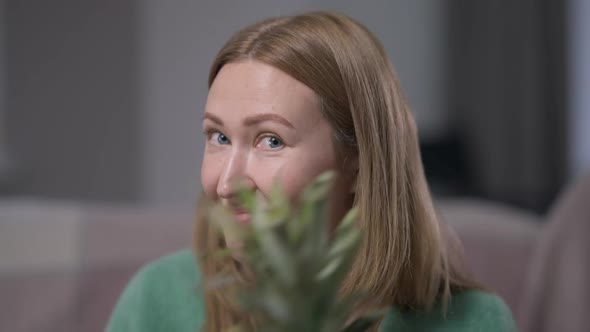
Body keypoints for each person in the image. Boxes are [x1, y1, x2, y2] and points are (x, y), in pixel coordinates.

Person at [107, 12, 516, 332]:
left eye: (271, 141)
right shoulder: (156, 300)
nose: (227, 183)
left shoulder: (473, 321)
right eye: (218, 137)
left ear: (359, 162)